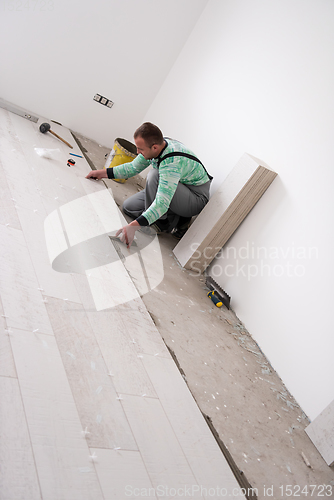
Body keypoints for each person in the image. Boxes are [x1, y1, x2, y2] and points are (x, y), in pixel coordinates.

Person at [85, 122, 212, 248]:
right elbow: (132, 168)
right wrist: (101, 173)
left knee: (154, 175)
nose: (137, 151)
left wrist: (132, 227)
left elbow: (161, 204)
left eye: (140, 149)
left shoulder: (171, 162)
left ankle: (163, 223)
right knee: (129, 207)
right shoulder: (158, 145)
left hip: (195, 198)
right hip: (177, 188)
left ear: (154, 147)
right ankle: (177, 217)